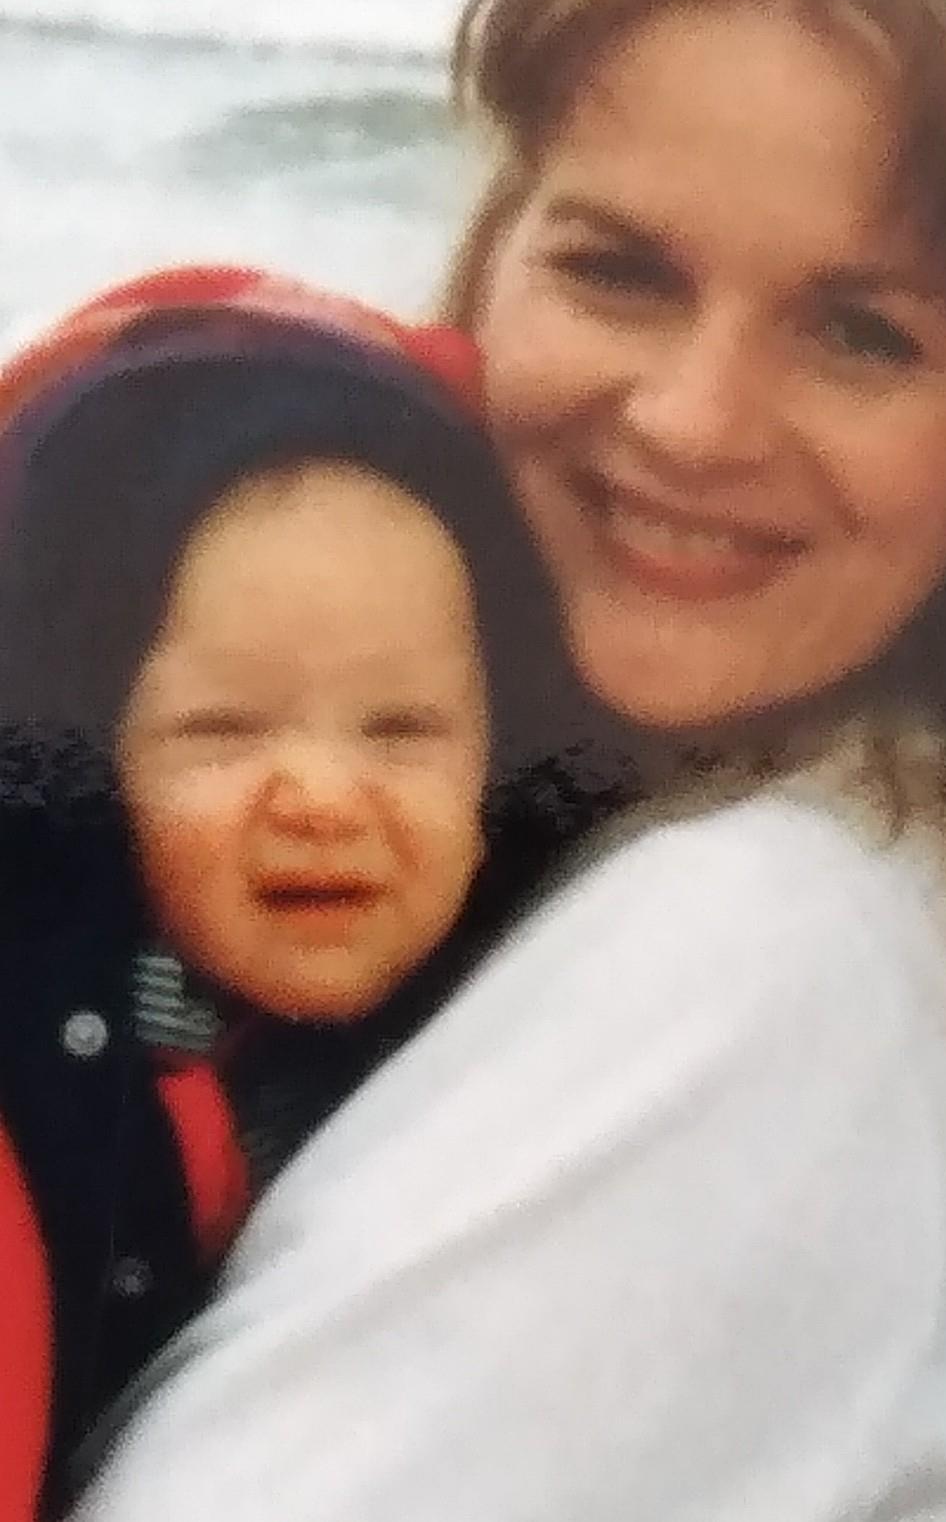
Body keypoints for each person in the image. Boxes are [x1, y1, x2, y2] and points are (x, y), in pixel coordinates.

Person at [72, 0, 946, 1522]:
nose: (688, 416)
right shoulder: (823, 857)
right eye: (618, 269)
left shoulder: (752, 958)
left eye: (859, 330)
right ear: (496, 245)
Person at [0, 265, 606, 1522]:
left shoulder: (543, 1031)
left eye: (403, 730)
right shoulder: (33, 1105)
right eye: (223, 731)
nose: (323, 800)